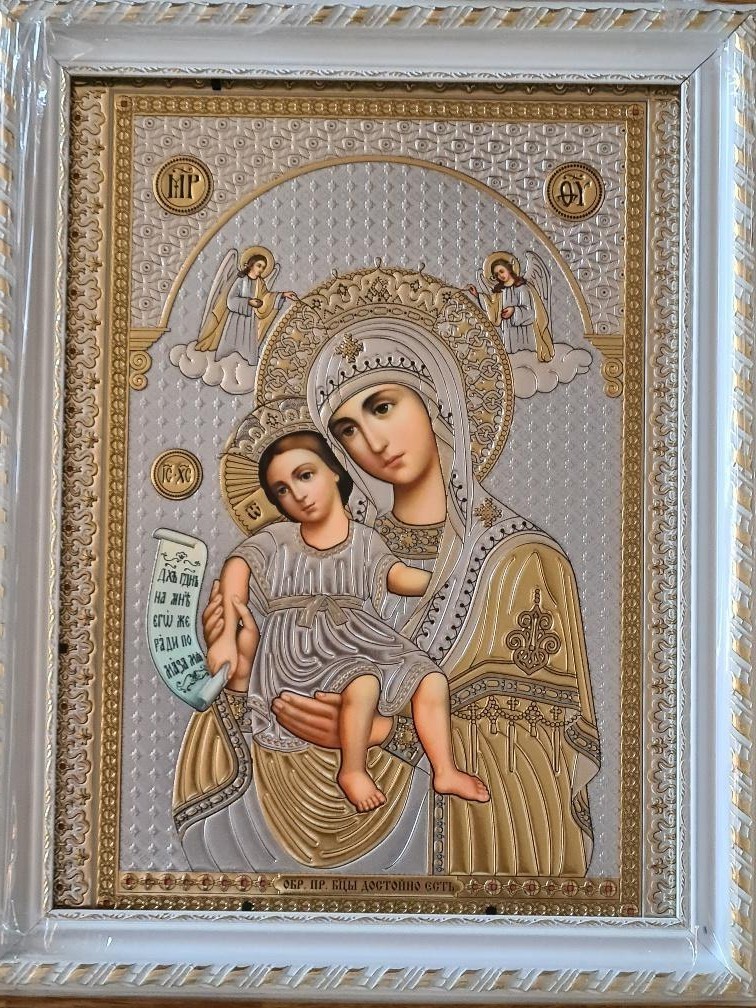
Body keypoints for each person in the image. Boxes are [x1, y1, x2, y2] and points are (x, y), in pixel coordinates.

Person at [177, 310, 600, 877]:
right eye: (347, 430)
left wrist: (384, 733)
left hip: (443, 842)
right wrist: (245, 674)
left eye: (382, 407)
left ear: (437, 400)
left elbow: (536, 765)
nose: (373, 443)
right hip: (289, 804)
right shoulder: (323, 550)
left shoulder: (521, 561)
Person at [206, 427, 490, 813]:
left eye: (305, 475)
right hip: (300, 647)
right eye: (282, 489)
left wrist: (449, 576)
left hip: (358, 636)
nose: (297, 494)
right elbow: (236, 568)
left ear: (335, 472)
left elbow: (396, 577)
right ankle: (353, 771)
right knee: (364, 681)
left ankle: (445, 770)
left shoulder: (365, 540)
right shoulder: (277, 539)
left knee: (431, 679)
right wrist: (226, 637)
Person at [196, 247, 297, 366]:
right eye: (259, 265)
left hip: (250, 321)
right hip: (235, 320)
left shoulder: (260, 283)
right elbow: (230, 300)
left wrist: (283, 294)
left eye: (263, 267)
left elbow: (267, 297)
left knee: (247, 354)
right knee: (230, 350)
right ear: (251, 265)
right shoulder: (241, 280)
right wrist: (248, 302)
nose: (261, 269)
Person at [469, 254, 554, 362]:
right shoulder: (500, 291)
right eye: (496, 274)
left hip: (524, 332)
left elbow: (531, 313)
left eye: (501, 271)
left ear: (509, 269)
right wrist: (477, 295)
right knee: (512, 359)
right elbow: (492, 307)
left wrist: (514, 311)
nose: (500, 276)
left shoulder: (522, 288)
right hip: (508, 331)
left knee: (525, 358)